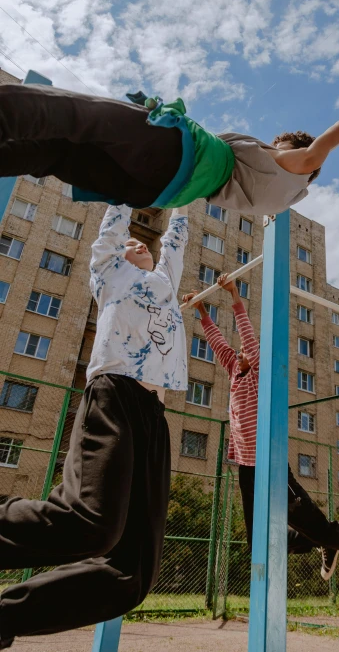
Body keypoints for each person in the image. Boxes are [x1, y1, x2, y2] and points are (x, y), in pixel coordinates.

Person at [0, 204, 188, 648]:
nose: (137, 244)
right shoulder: (109, 276)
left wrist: (186, 195)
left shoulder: (164, 282)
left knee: (131, 574)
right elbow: (111, 231)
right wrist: (128, 193)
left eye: (144, 244)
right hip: (116, 394)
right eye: (129, 245)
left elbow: (177, 236)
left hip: (154, 416)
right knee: (90, 524)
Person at [183, 275, 339, 588]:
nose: (239, 352)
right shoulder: (234, 370)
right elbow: (218, 342)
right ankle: (321, 544)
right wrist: (202, 311)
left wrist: (234, 294)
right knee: (258, 544)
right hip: (247, 470)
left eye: (245, 350)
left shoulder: (258, 372)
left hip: (271, 467)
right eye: (238, 353)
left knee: (323, 528)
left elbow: (246, 335)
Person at [0, 83, 339, 215]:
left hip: (177, 155)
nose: (270, 147)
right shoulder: (277, 203)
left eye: (276, 144)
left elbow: (332, 138)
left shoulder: (292, 166)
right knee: (53, 154)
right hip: (157, 190)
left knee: (77, 116)